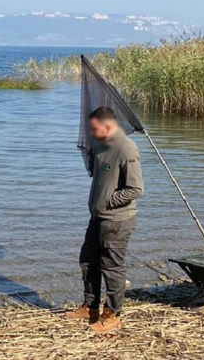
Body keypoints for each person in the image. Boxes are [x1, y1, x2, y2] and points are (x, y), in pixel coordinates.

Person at [65, 106, 144, 333]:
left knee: (111, 267)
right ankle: (90, 307)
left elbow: (136, 189)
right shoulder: (102, 146)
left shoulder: (126, 148)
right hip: (97, 217)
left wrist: (109, 201)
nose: (91, 132)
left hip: (117, 220)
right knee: (88, 261)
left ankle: (112, 315)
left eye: (95, 128)